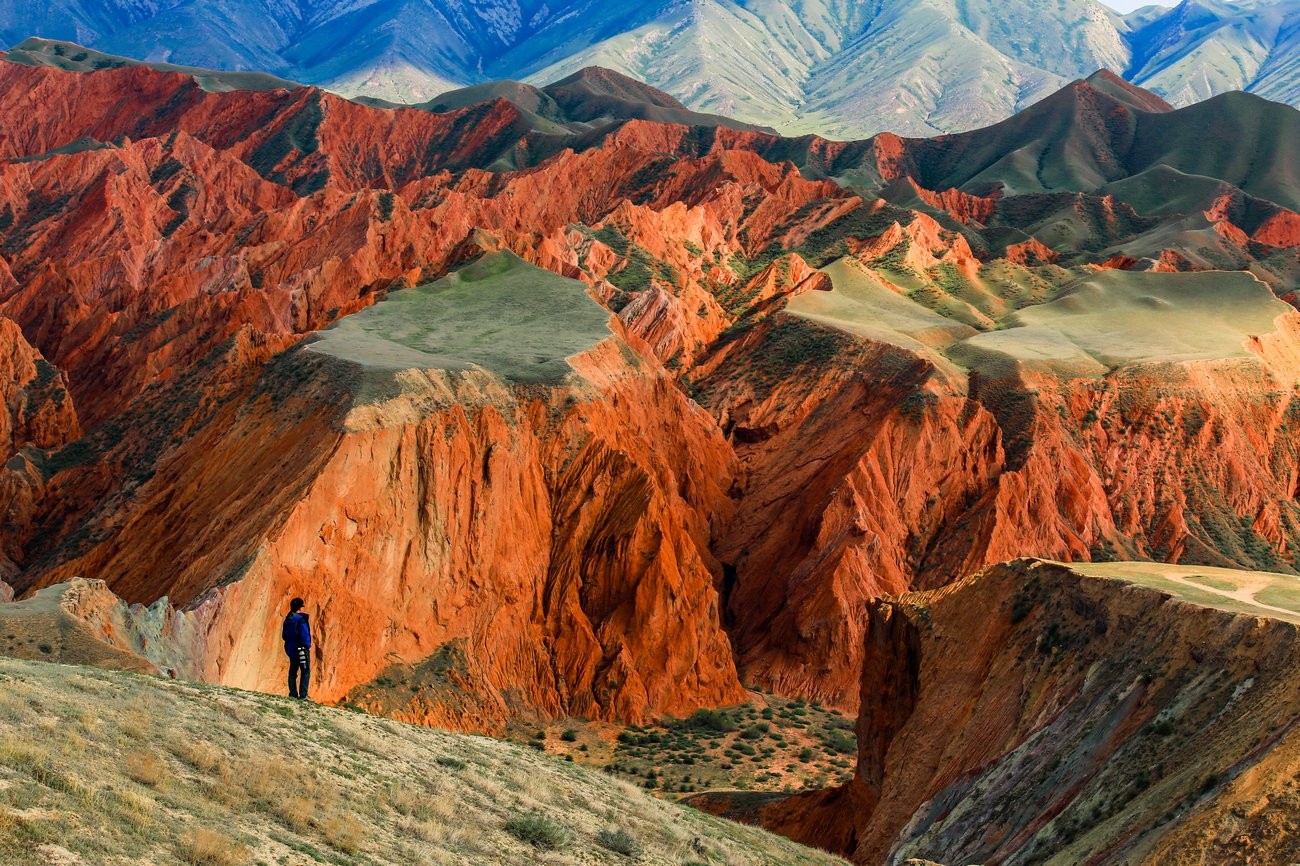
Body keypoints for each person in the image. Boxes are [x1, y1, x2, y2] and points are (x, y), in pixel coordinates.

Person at [282, 597, 312, 700]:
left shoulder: (287, 619)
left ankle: (293, 694)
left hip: (291, 650)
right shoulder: (300, 620)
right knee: (305, 670)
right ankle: (303, 695)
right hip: (302, 649)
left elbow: (284, 635)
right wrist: (307, 645)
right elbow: (304, 635)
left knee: (293, 671)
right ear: (300, 608)